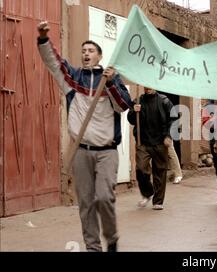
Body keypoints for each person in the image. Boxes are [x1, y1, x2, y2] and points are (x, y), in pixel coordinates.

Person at [37, 21, 132, 252]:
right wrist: (43, 38)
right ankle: (92, 247)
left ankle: (111, 237)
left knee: (104, 198)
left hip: (107, 151)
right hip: (81, 151)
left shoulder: (112, 79)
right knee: (86, 204)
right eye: (83, 50)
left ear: (99, 56)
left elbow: (123, 106)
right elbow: (54, 62)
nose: (86, 53)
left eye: (91, 50)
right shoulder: (73, 80)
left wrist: (110, 84)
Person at [127, 87, 174, 210]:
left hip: (160, 142)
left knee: (160, 171)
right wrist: (133, 111)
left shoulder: (164, 101)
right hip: (143, 142)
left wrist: (169, 136)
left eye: (150, 86)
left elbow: (173, 119)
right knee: (141, 169)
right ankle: (148, 193)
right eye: (145, 86)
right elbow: (131, 120)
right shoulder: (138, 101)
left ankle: (158, 201)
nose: (147, 88)